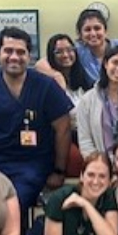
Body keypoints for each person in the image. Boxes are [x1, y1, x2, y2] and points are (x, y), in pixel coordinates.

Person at [0, 26, 73, 235]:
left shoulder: (45, 86)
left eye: (21, 52)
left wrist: (59, 170)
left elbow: (63, 128)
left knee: (14, 201)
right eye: (8, 51)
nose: (14, 56)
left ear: (29, 56)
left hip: (33, 164)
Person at [38, 8, 118, 94]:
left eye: (97, 28)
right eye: (87, 29)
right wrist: (57, 76)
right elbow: (41, 64)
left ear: (105, 30)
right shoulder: (78, 51)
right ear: (80, 34)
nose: (93, 34)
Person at [45, 32, 94, 176]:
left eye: (69, 50)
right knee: (76, 160)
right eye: (59, 52)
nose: (65, 55)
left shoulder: (84, 80)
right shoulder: (50, 82)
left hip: (89, 133)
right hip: (65, 135)